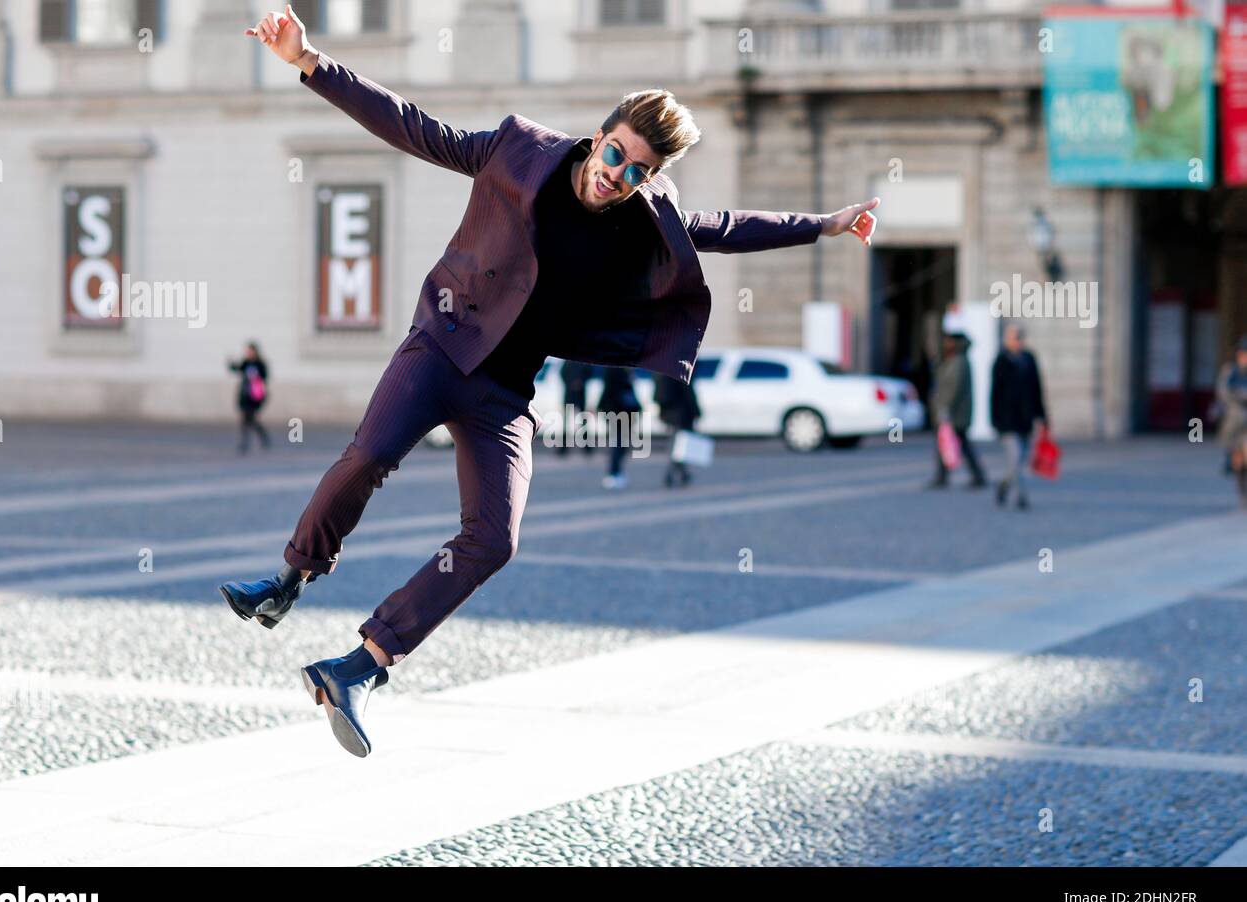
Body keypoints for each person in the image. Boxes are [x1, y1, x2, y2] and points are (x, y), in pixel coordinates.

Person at [221, 4, 882, 758]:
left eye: (640, 172)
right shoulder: (517, 152)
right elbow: (413, 126)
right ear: (599, 137)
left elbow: (725, 227)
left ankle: (361, 665)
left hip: (504, 389)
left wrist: (823, 224)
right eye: (618, 156)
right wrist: (311, 63)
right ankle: (289, 577)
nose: (620, 177)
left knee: (495, 539)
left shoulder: (644, 216)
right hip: (442, 343)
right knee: (370, 457)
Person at [990, 321, 1047, 510]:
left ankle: (1003, 486)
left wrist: (1042, 416)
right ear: (1007, 339)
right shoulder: (1001, 360)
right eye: (1015, 337)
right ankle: (1021, 497)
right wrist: (995, 420)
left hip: (1025, 418)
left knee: (1019, 460)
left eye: (1020, 337)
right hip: (1007, 419)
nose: (1018, 341)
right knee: (1015, 458)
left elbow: (1037, 389)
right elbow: (995, 393)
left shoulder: (1029, 359)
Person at [927, 332, 985, 489]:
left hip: (954, 414)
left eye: (949, 341)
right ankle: (949, 475)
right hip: (954, 413)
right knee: (954, 444)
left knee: (953, 444)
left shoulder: (958, 361)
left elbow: (952, 388)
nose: (946, 344)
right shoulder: (953, 360)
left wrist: (944, 409)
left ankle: (945, 476)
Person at [654, 372, 701, 487]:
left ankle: (681, 473)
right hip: (682, 413)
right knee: (679, 446)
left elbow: (657, 395)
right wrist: (696, 412)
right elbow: (688, 393)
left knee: (677, 444)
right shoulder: (682, 371)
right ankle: (672, 474)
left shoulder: (662, 371)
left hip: (669, 413)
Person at [1215, 336, 1247, 506]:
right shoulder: (1230, 371)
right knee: (1237, 458)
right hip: (1235, 420)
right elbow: (1223, 391)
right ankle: (1242, 491)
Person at [598, 366, 641, 489]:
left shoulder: (622, 370)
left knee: (620, 443)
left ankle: (616, 472)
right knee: (618, 443)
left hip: (621, 411)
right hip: (617, 411)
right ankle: (613, 473)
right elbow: (611, 390)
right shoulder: (616, 370)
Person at [228, 341, 270, 454]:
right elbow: (237, 369)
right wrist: (230, 363)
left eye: (250, 351)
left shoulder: (260, 363)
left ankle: (259, 438)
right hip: (245, 395)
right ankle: (247, 441)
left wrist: (256, 377)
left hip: (255, 396)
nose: (248, 353)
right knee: (246, 419)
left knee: (250, 419)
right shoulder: (246, 362)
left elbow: (265, 377)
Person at [558, 360, 597, 456]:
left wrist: (581, 382)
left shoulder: (581, 362)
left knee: (583, 422)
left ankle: (586, 446)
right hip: (571, 396)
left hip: (579, 396)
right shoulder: (569, 362)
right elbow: (563, 374)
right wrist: (572, 383)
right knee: (567, 424)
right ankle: (564, 447)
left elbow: (589, 373)